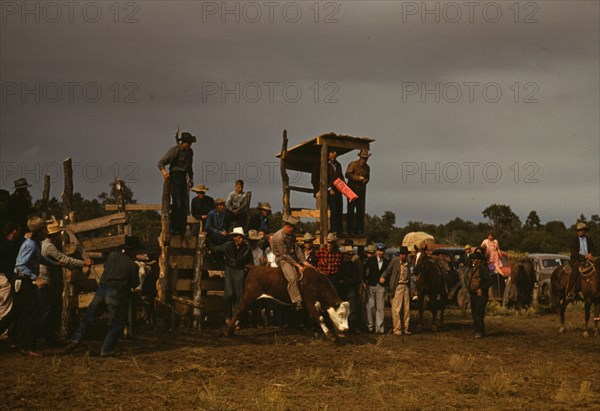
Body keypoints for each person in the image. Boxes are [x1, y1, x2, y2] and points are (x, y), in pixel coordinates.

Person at [64, 236, 142, 357]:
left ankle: (75, 339)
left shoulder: (112, 256)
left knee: (89, 316)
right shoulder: (133, 265)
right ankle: (107, 349)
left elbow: (106, 268)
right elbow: (135, 283)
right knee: (117, 323)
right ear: (134, 251)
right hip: (116, 292)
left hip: (102, 289)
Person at [39, 221, 93, 343]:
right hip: (43, 279)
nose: (59, 235)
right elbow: (64, 258)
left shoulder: (44, 244)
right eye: (58, 233)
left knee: (46, 307)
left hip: (44, 278)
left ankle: (45, 334)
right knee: (47, 308)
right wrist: (83, 263)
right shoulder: (49, 246)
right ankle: (47, 336)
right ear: (55, 234)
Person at [13, 217, 55, 356]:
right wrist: (36, 278)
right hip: (23, 279)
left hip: (25, 280)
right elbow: (20, 265)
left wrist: (55, 263)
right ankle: (29, 346)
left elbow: (38, 259)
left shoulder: (36, 243)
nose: (47, 232)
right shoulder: (31, 244)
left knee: (24, 312)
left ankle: (26, 345)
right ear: (39, 232)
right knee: (31, 312)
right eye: (45, 230)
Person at [158, 131, 196, 235]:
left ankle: (181, 229)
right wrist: (164, 172)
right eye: (188, 143)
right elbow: (161, 162)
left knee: (184, 205)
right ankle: (174, 228)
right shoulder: (175, 150)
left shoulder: (190, 152)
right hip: (174, 177)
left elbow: (189, 166)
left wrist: (191, 178)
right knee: (177, 203)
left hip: (183, 177)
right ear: (184, 142)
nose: (189, 145)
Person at [271, 216, 313, 311]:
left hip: (292, 256)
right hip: (282, 259)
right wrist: (298, 265)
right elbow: (284, 255)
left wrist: (303, 261)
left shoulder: (292, 235)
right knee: (292, 278)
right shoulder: (278, 237)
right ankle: (297, 301)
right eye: (293, 228)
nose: (294, 231)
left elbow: (296, 248)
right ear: (288, 226)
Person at [220, 228, 253, 325]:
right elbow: (228, 258)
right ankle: (227, 316)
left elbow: (248, 260)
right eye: (237, 236)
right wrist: (235, 263)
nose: (238, 238)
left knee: (239, 295)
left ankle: (236, 318)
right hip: (230, 269)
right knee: (228, 294)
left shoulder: (246, 247)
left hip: (240, 270)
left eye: (240, 237)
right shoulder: (229, 246)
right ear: (234, 237)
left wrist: (242, 266)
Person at [381, 246, 411, 336]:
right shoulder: (395, 261)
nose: (403, 256)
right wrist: (383, 276)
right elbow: (388, 270)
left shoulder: (408, 263)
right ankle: (397, 329)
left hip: (406, 286)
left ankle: (406, 328)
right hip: (397, 286)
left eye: (404, 254)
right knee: (396, 309)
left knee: (406, 309)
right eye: (402, 254)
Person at [312, 151, 345, 233]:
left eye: (334, 157)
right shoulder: (324, 165)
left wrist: (344, 187)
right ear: (328, 157)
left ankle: (338, 229)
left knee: (338, 209)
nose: (333, 159)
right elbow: (323, 179)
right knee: (330, 210)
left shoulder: (338, 165)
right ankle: (328, 229)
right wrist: (329, 188)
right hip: (328, 190)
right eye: (331, 157)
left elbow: (340, 176)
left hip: (338, 189)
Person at [464, 251, 492, 338]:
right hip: (473, 294)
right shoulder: (473, 268)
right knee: (475, 312)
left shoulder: (482, 269)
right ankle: (480, 330)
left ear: (479, 260)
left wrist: (481, 289)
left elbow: (490, 280)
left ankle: (479, 331)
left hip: (480, 295)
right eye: (472, 259)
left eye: (475, 259)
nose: (473, 260)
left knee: (478, 313)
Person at [0, 222, 21, 337]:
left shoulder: (2, 243)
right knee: (5, 308)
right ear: (14, 231)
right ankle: (3, 333)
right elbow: (10, 266)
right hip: (4, 277)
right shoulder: (11, 246)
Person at [566, 222, 595, 301]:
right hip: (577, 260)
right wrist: (584, 256)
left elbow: (592, 249)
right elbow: (574, 253)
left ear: (584, 231)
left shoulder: (589, 240)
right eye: (578, 230)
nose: (579, 232)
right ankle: (570, 290)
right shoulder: (574, 241)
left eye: (581, 230)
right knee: (575, 269)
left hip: (588, 259)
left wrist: (590, 254)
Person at [364, 243, 389, 334]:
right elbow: (364, 269)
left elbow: (388, 274)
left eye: (382, 251)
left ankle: (379, 329)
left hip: (381, 287)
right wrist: (364, 281)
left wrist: (385, 281)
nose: (380, 253)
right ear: (376, 251)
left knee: (380, 308)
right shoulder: (370, 260)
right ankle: (370, 326)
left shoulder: (387, 262)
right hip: (371, 285)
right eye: (378, 251)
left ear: (384, 252)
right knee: (370, 306)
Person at [345, 149, 371, 235]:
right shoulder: (353, 164)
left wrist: (365, 181)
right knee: (351, 211)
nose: (365, 159)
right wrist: (357, 178)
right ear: (360, 157)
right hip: (351, 191)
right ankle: (350, 230)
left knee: (361, 211)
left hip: (361, 192)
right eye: (363, 158)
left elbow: (368, 178)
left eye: (366, 158)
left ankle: (359, 230)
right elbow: (347, 174)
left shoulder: (367, 167)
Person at [337, 246, 361, 333]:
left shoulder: (353, 265)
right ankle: (340, 326)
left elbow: (354, 279)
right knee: (340, 309)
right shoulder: (339, 264)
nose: (348, 256)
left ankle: (353, 327)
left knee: (352, 309)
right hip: (341, 289)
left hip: (349, 288)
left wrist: (344, 281)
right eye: (347, 254)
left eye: (350, 254)